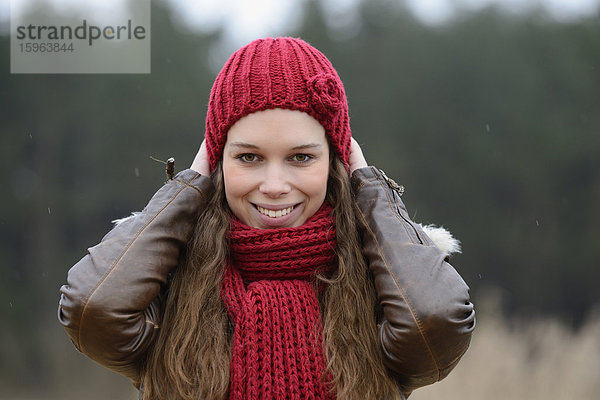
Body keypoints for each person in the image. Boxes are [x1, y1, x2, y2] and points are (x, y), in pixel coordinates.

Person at [58, 37, 475, 400]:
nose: (274, 185)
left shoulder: (378, 283)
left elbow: (435, 320)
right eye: (248, 157)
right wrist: (186, 190)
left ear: (337, 164)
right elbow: (92, 309)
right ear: (216, 165)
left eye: (301, 157)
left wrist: (371, 192)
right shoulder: (172, 283)